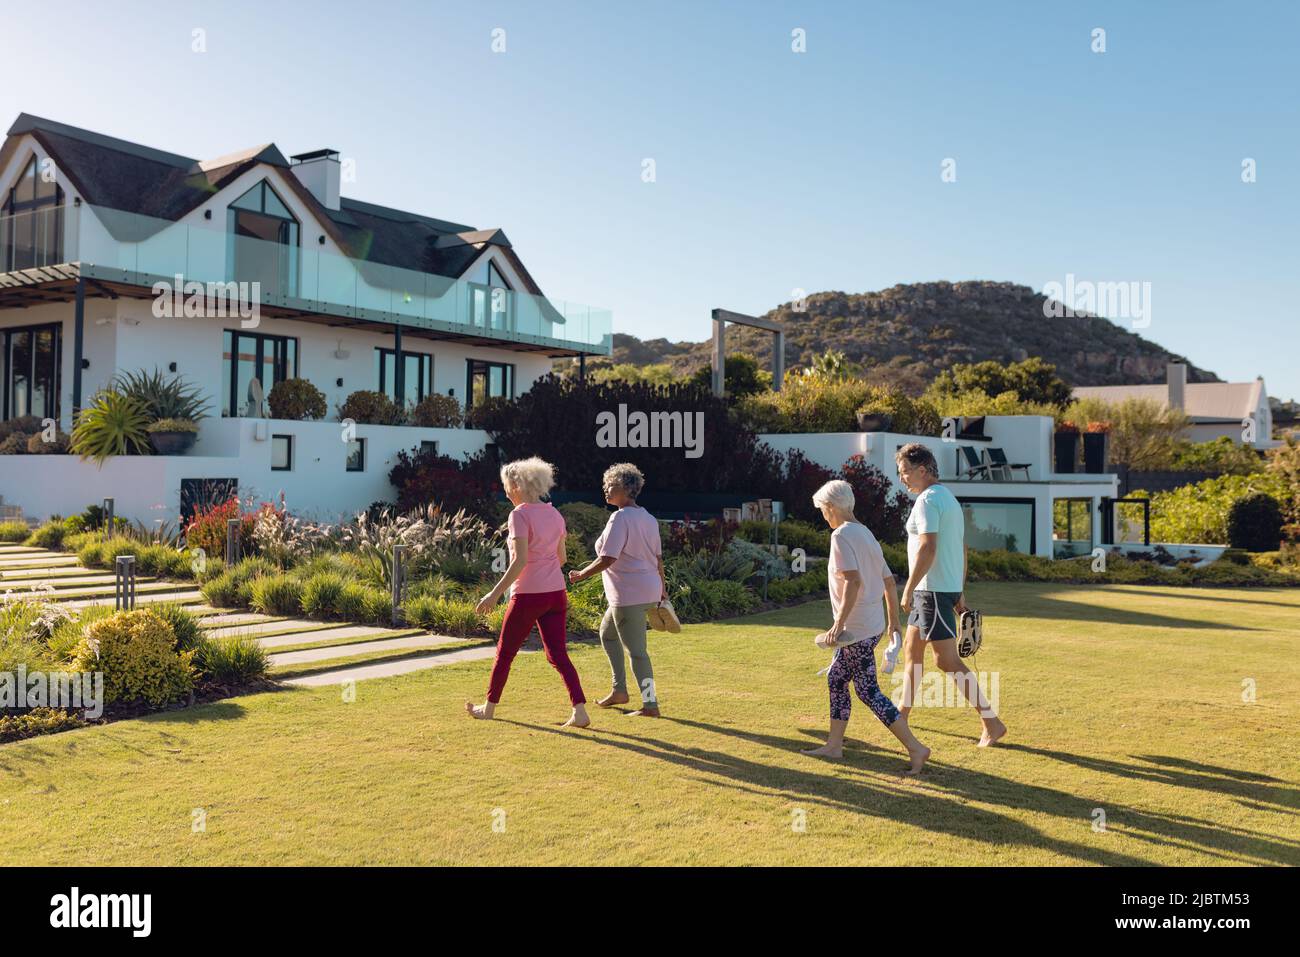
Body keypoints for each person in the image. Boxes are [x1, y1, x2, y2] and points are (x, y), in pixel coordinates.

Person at [800, 479, 930, 774]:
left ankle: (916, 748)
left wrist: (838, 624)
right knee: (836, 678)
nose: (823, 515)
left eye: (823, 509)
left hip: (855, 630)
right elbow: (887, 580)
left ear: (832, 507)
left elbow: (853, 581)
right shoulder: (866, 533)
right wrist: (894, 621)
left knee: (868, 691)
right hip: (870, 626)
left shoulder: (841, 537)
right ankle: (834, 746)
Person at [895, 443, 1006, 747]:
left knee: (946, 662)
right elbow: (961, 549)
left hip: (930, 592)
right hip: (939, 589)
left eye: (904, 472)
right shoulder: (948, 498)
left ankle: (991, 722)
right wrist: (959, 591)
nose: (902, 479)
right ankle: (900, 716)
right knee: (911, 652)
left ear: (921, 470)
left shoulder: (928, 501)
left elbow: (928, 548)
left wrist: (907, 588)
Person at [465, 457, 590, 728]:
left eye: (507, 486)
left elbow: (519, 561)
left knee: (505, 652)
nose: (506, 492)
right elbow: (562, 558)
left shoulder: (518, 515)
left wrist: (494, 594)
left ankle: (488, 708)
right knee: (557, 654)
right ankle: (580, 711)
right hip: (556, 593)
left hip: (528, 595)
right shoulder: (555, 514)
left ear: (518, 485)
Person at [569, 463, 665, 717]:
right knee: (607, 634)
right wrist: (662, 590)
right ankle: (619, 691)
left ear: (626, 488)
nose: (606, 489)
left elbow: (608, 558)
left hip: (629, 594)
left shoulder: (620, 517)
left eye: (610, 485)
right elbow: (658, 560)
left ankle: (650, 705)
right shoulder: (649, 518)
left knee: (637, 652)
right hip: (646, 589)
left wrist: (582, 574)